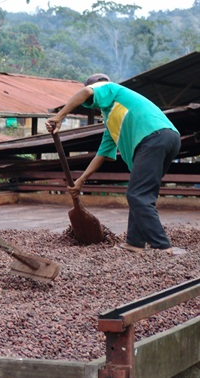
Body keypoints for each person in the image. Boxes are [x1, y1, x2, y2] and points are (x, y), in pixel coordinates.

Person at [46, 73, 182, 254]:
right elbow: (101, 155)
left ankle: (162, 246)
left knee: (137, 195)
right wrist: (80, 181)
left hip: (153, 137)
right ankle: (135, 242)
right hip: (167, 138)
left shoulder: (110, 88)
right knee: (139, 194)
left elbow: (86, 91)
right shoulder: (112, 120)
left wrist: (60, 116)